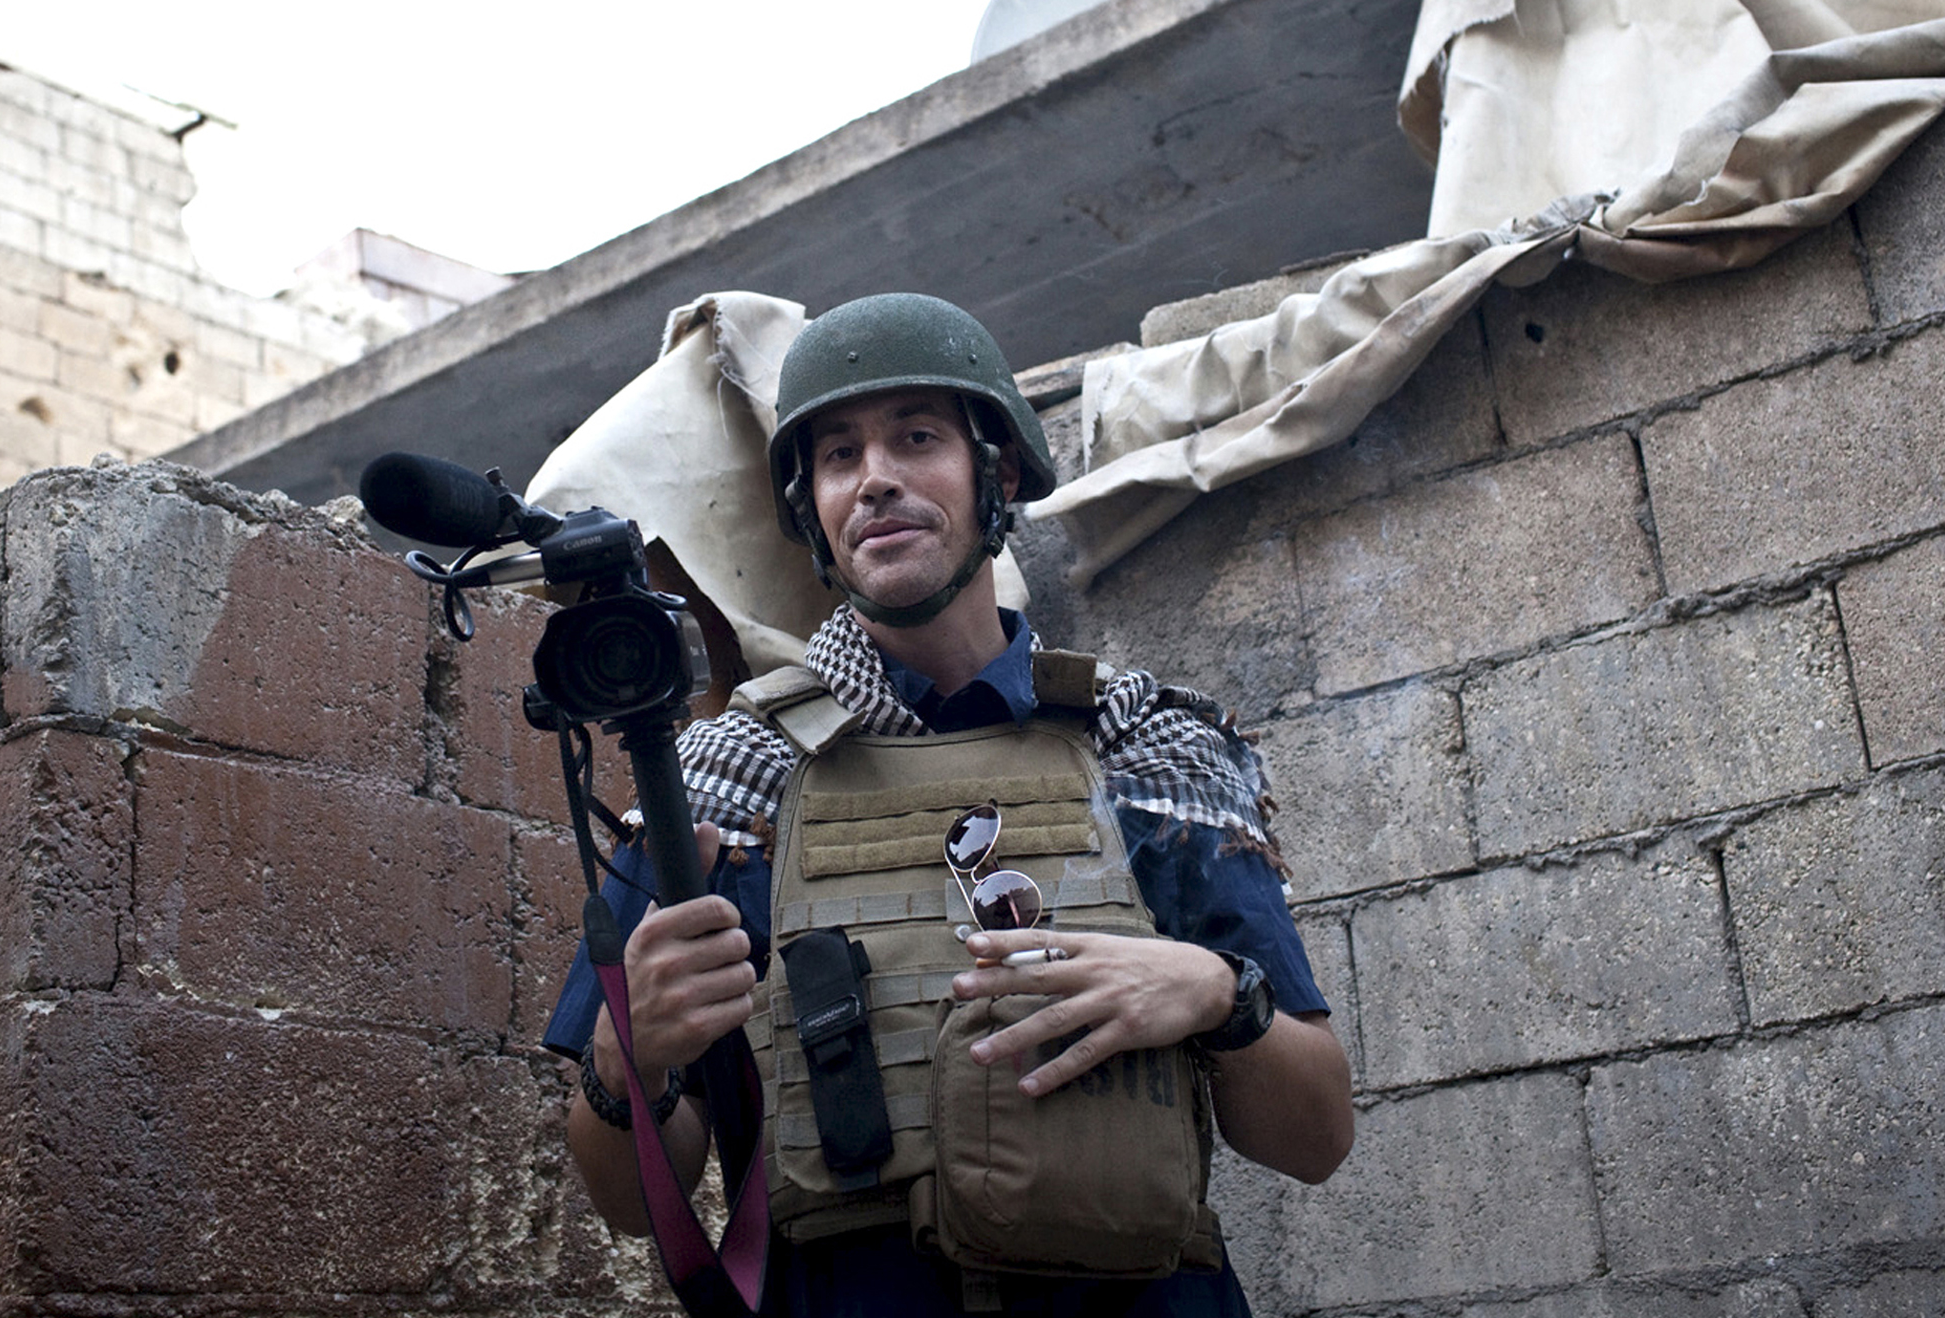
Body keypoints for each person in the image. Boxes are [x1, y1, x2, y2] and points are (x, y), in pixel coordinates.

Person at [543, 292, 1354, 1315]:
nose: (874, 478)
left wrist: (1212, 993)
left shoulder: (1146, 750)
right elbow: (624, 1199)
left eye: (915, 438)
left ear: (998, 473)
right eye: (837, 456)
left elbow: (1315, 1137)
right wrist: (626, 1065)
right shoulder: (716, 785)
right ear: (810, 511)